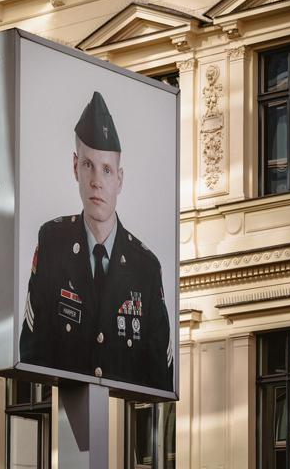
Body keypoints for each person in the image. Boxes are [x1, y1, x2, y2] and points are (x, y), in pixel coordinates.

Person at [19, 91, 173, 391]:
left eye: (106, 170)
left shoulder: (146, 269)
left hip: (122, 431)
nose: (97, 182)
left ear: (120, 179)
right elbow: (33, 357)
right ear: (75, 166)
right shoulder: (52, 246)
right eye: (89, 165)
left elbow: (160, 381)